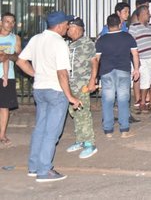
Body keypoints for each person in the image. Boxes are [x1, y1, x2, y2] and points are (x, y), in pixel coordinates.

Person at [17, 11, 80, 182]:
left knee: (40, 129)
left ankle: (34, 166)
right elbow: (62, 73)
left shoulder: (36, 39)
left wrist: (35, 74)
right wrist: (71, 96)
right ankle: (44, 170)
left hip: (39, 90)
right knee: (52, 132)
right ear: (59, 26)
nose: (68, 26)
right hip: (55, 91)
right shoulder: (59, 43)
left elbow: (21, 60)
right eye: (67, 24)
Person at [95, 13, 139, 138]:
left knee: (107, 100)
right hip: (123, 71)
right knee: (123, 100)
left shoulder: (101, 40)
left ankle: (108, 130)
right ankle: (124, 130)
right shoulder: (128, 37)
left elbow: (96, 59)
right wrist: (136, 69)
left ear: (107, 26)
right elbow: (135, 54)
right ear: (120, 24)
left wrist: (95, 77)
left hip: (106, 72)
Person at [65, 17, 99, 158]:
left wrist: (92, 80)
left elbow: (94, 62)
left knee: (83, 113)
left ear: (78, 29)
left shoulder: (87, 43)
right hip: (70, 84)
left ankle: (90, 143)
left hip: (82, 84)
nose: (67, 30)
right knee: (75, 113)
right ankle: (80, 140)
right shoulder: (70, 44)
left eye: (70, 27)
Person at [128, 5, 151, 112]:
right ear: (142, 14)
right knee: (145, 81)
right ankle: (143, 102)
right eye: (148, 13)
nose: (149, 15)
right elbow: (131, 44)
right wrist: (136, 60)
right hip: (142, 58)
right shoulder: (133, 27)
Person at [0, 12, 22, 146]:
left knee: (4, 107)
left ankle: (2, 134)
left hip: (8, 75)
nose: (10, 24)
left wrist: (7, 55)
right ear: (1, 22)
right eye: (7, 21)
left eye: (12, 21)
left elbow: (18, 56)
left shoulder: (16, 38)